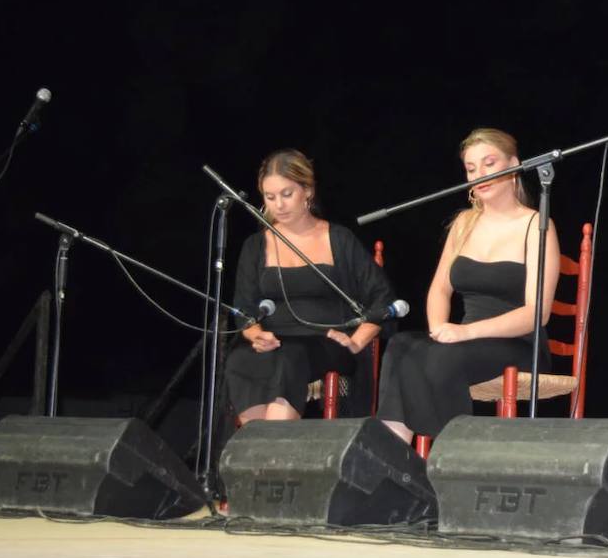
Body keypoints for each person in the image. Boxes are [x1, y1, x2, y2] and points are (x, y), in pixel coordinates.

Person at [377, 129, 559, 443]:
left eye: (489, 163)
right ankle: (395, 458)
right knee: (400, 346)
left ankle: (448, 459)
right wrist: (438, 328)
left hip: (519, 344)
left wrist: (465, 333)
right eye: (472, 168)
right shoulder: (464, 223)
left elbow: (537, 313)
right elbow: (439, 290)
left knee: (439, 359)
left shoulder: (535, 224)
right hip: (464, 341)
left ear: (514, 164)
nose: (481, 174)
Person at [226, 149, 394, 423]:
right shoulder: (255, 246)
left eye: (286, 194)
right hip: (274, 341)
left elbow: (382, 300)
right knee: (240, 359)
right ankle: (256, 453)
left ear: (307, 191)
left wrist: (356, 340)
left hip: (327, 340)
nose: (278, 205)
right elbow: (244, 309)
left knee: (291, 358)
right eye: (270, 198)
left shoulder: (339, 238)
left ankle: (271, 447)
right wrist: (256, 334)